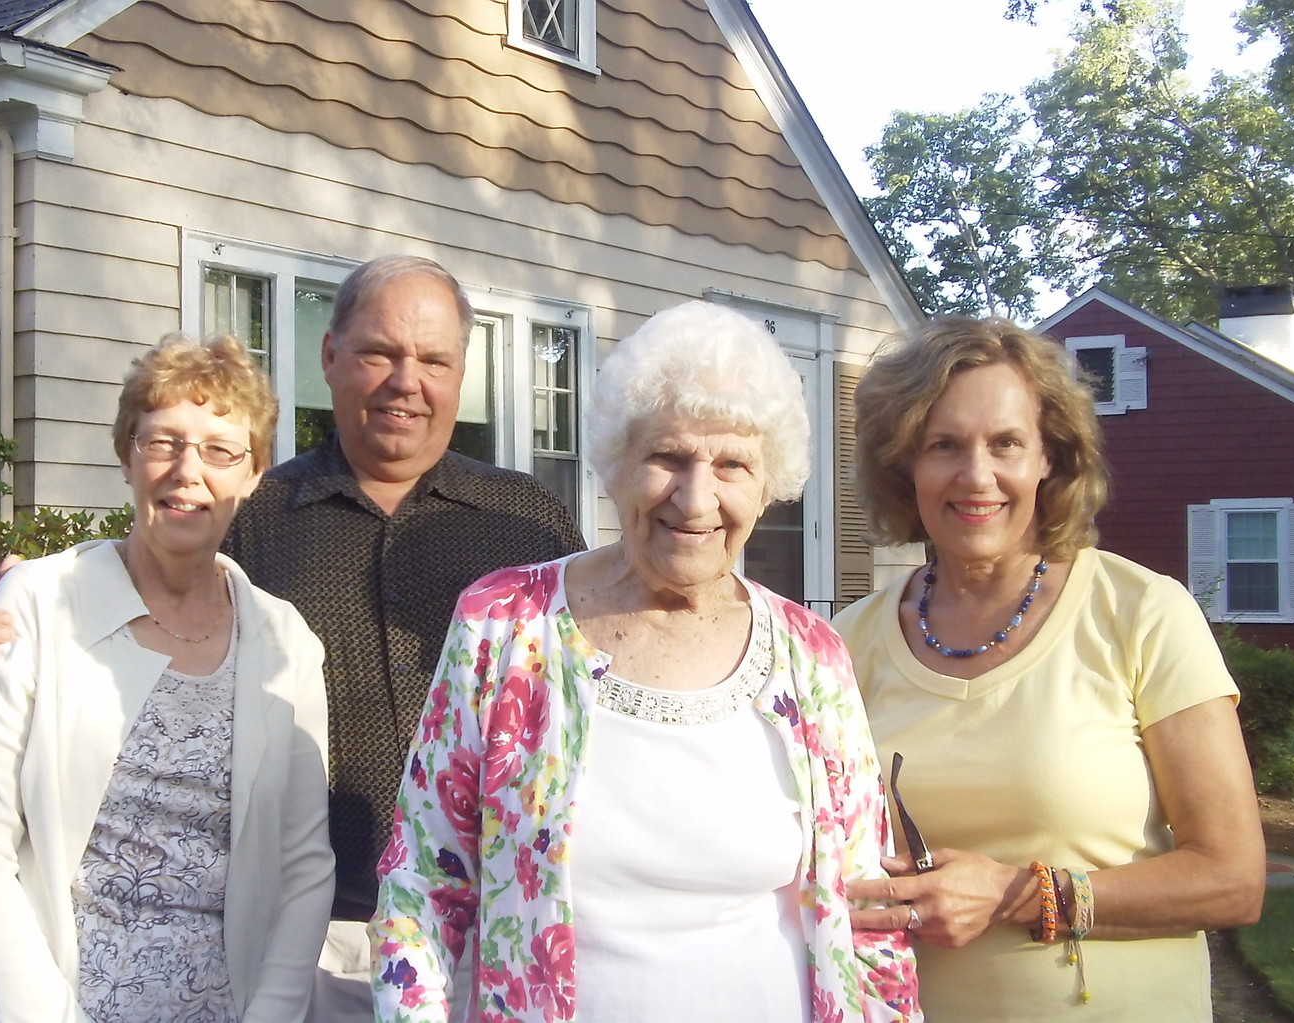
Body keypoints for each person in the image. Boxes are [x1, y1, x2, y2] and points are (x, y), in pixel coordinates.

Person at [0, 256, 582, 1020]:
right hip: (307, 940)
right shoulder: (252, 509)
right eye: (379, 352)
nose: (406, 380)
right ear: (331, 356)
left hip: (488, 934)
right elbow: (136, 593)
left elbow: (593, 684)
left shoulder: (530, 524)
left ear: (461, 372)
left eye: (434, 359)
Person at [372, 301, 920, 1023]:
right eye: (668, 456)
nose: (696, 499)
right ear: (616, 463)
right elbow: (421, 885)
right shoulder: (504, 624)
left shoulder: (810, 656)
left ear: (768, 482)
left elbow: (869, 913)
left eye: (732, 464)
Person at [836, 317, 1265, 1022]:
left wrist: (1018, 894)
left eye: (1006, 443)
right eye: (943, 445)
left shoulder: (1142, 613)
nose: (977, 476)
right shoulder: (845, 644)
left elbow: (1232, 879)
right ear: (902, 464)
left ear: (1049, 458)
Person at [0, 335, 333, 1021]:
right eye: (163, 442)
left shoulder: (285, 641)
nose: (187, 471)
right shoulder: (36, 603)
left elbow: (305, 867)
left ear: (254, 473)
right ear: (127, 454)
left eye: (220, 450)